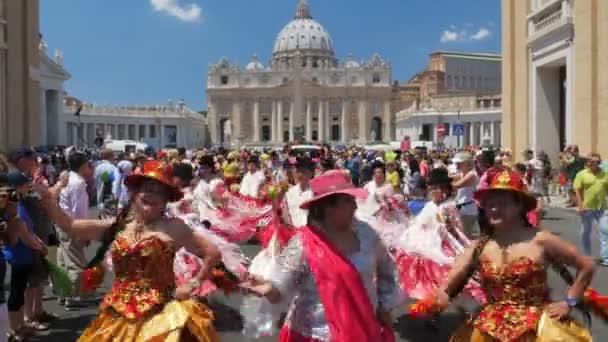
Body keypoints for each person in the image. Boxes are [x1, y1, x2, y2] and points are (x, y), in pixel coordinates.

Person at [38, 160, 221, 341]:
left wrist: (193, 283)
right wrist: (48, 201)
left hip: (160, 315)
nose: (153, 195)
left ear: (166, 201)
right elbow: (70, 226)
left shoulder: (175, 227)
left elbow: (212, 253)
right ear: (135, 193)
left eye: (160, 192)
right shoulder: (118, 226)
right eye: (148, 189)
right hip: (118, 313)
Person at [433, 169, 594, 341]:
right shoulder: (479, 246)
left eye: (502, 203)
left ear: (520, 206)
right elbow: (452, 278)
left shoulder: (540, 239)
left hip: (539, 329)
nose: (493, 208)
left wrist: (569, 302)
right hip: (490, 329)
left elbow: (586, 265)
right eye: (489, 204)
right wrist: (440, 296)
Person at [241, 171, 403, 341]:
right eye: (348, 201)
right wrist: (268, 289)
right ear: (327, 207)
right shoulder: (304, 242)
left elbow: (387, 271)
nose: (355, 207)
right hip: (315, 334)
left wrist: (384, 305)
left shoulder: (367, 235)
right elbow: (281, 285)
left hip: (363, 329)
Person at [8, 148, 56, 327]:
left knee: (39, 276)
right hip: (29, 238)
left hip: (38, 234)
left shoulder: (28, 179)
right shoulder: (18, 180)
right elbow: (46, 197)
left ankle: (36, 312)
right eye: (31, 159)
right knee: (28, 282)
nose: (35, 162)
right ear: (21, 160)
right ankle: (28, 317)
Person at [3, 172, 49, 340]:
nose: (27, 187)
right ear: (14, 187)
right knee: (16, 293)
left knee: (20, 291)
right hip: (19, 255)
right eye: (23, 185)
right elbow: (23, 233)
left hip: (25, 254)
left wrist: (37, 242)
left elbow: (29, 230)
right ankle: (14, 328)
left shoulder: (19, 204)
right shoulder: (12, 208)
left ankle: (21, 324)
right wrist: (38, 246)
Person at [57, 152, 93, 310]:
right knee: (76, 262)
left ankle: (64, 294)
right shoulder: (78, 183)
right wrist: (84, 231)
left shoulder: (67, 178)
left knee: (64, 260)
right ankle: (72, 297)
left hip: (62, 221)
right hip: (72, 224)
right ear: (83, 165)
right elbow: (79, 210)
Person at [574, 153, 608, 266]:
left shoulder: (605, 174)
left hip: (602, 208)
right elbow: (578, 191)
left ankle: (606, 257)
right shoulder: (581, 174)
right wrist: (580, 206)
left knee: (606, 231)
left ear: (599, 162)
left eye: (594, 161)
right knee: (585, 232)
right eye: (589, 161)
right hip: (587, 208)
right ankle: (587, 256)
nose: (591, 163)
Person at [451, 152, 479, 239]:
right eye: (457, 163)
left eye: (460, 163)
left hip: (468, 210)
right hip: (463, 209)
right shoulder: (463, 174)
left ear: (468, 164)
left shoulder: (471, 174)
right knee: (463, 236)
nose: (457, 165)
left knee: (465, 237)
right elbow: (450, 178)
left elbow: (456, 186)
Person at [282, 157, 314, 228]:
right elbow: (286, 214)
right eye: (298, 171)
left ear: (311, 173)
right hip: (293, 234)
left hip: (309, 234)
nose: (300, 174)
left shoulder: (315, 192)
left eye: (303, 171)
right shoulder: (289, 192)